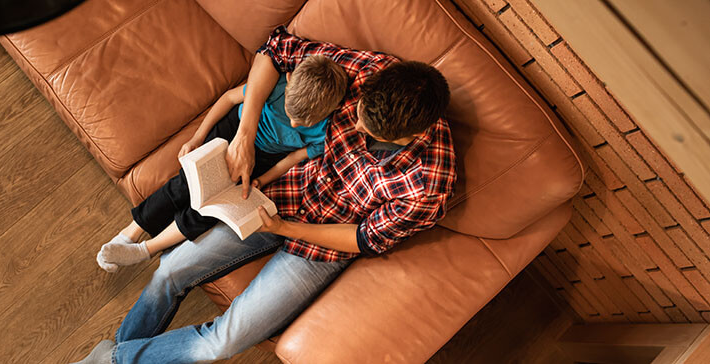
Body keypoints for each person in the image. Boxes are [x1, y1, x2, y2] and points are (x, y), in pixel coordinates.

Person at [73, 26, 456, 364]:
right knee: (170, 271)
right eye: (356, 112)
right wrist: (245, 134)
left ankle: (114, 359)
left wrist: (287, 229)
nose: (354, 123)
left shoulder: (429, 184)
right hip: (278, 195)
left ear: (410, 137)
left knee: (223, 342)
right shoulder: (368, 71)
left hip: (321, 248)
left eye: (368, 130)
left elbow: (361, 238)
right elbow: (275, 49)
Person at [96, 55, 348, 272]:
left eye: (303, 124)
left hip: (265, 159)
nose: (294, 126)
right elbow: (229, 99)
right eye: (291, 116)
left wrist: (263, 180)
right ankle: (130, 233)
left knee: (214, 208)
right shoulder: (276, 85)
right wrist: (197, 138)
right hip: (232, 131)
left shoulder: (323, 133)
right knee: (185, 185)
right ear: (290, 79)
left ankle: (146, 249)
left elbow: (293, 157)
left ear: (332, 109)